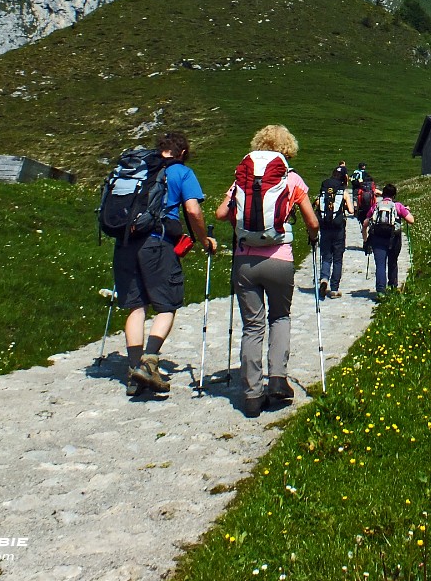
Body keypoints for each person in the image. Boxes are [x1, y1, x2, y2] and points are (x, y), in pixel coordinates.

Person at [216, 124, 320, 418]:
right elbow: (312, 222)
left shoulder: (243, 179)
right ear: (288, 148)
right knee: (280, 316)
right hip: (280, 259)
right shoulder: (292, 179)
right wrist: (312, 238)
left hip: (244, 261)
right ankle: (277, 379)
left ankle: (251, 396)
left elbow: (222, 213)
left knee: (252, 325)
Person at [113, 131, 217, 397]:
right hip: (157, 243)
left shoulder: (138, 168)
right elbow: (193, 210)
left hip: (125, 243)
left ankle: (134, 370)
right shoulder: (182, 172)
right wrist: (204, 240)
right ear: (182, 152)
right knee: (166, 306)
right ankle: (149, 362)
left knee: (136, 307)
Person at [362, 182, 415, 299]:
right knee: (393, 262)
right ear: (394, 195)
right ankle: (392, 287)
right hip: (394, 238)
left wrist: (365, 240)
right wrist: (407, 210)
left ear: (383, 194)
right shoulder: (398, 206)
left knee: (380, 264)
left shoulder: (376, 206)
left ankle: (381, 291)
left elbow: (365, 223)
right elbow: (411, 220)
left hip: (378, 238)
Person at [315, 164, 354, 299]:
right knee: (337, 258)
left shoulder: (325, 189)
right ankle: (334, 289)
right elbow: (351, 210)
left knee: (326, 256)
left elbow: (318, 205)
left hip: (325, 227)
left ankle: (324, 279)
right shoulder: (343, 191)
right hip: (338, 228)